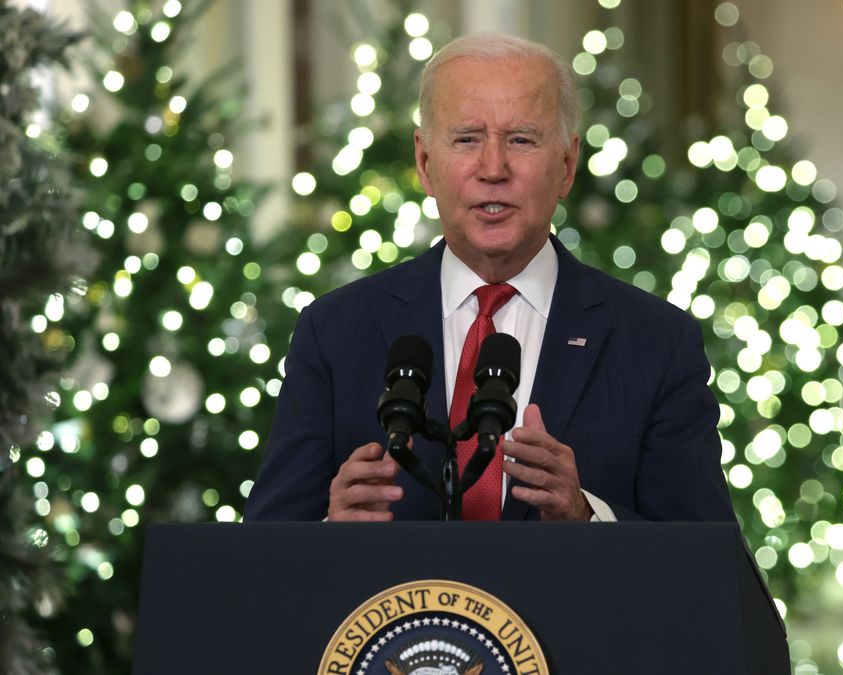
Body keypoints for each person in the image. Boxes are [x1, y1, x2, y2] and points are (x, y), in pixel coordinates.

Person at [244, 32, 735, 524]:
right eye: (466, 139)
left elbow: (704, 567)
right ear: (424, 162)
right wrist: (331, 530)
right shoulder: (332, 332)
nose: (493, 168)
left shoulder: (656, 343)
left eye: (521, 139)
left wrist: (589, 520)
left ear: (566, 166)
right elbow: (262, 561)